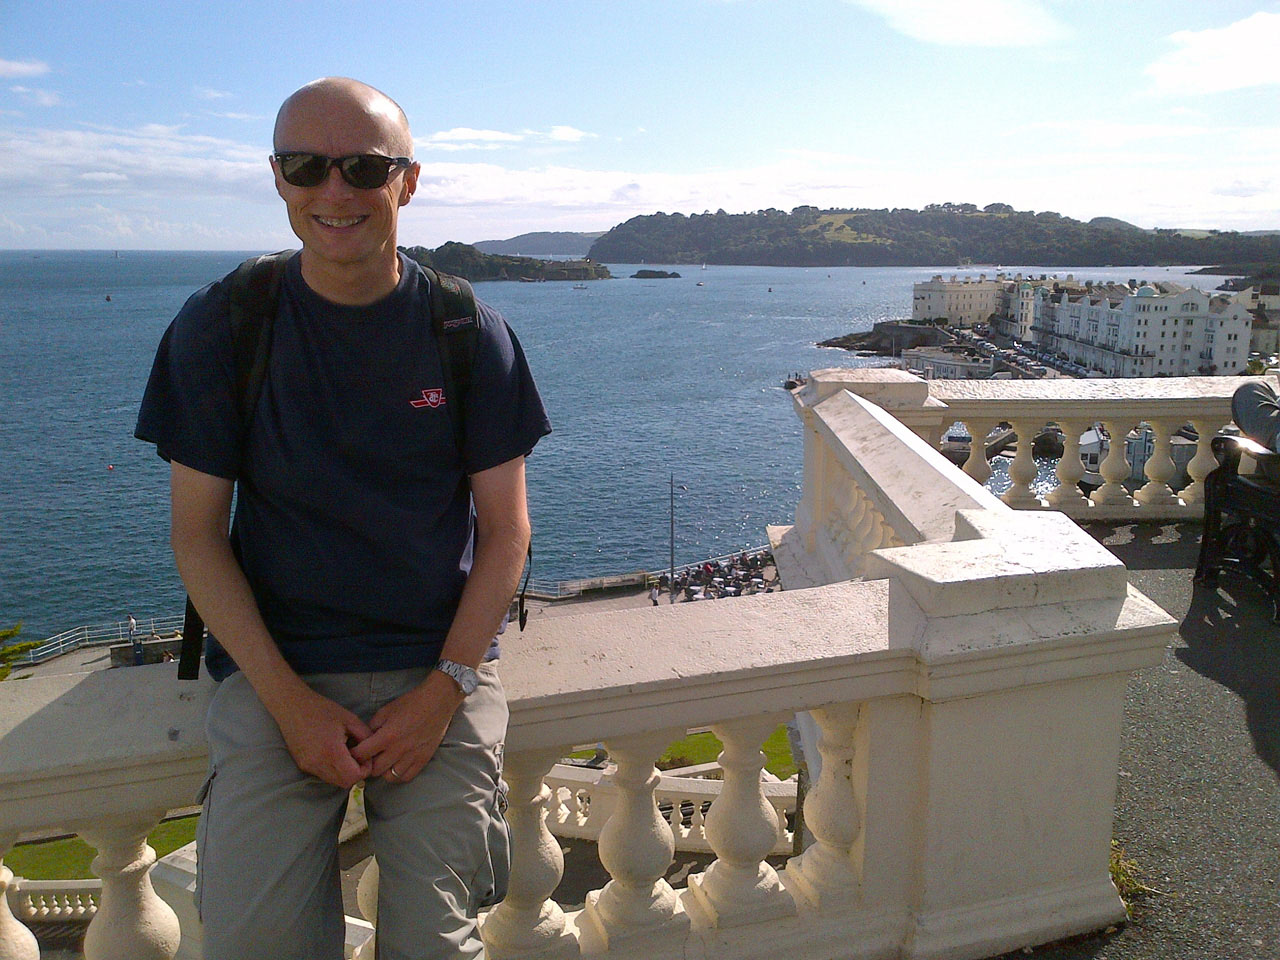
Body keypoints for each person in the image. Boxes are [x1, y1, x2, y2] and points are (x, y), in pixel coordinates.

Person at [135, 77, 551, 960]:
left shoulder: (466, 331)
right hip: (276, 673)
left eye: (364, 167)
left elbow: (506, 534)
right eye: (305, 166)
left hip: (437, 668)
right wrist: (288, 705)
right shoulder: (225, 325)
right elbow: (197, 536)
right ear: (277, 178)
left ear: (407, 182)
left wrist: (444, 693)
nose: (334, 191)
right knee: (255, 946)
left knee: (436, 945)